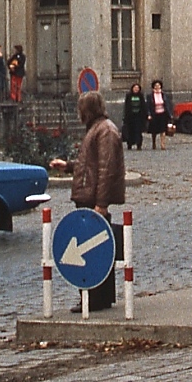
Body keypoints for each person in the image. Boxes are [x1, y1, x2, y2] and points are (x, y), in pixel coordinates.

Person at [48, 91, 125, 310]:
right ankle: (97, 298)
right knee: (96, 248)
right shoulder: (97, 128)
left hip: (93, 200)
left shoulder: (105, 131)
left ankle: (95, 298)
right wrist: (69, 166)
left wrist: (101, 204)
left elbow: (106, 169)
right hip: (89, 196)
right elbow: (91, 163)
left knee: (95, 251)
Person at [146, 79, 173, 150]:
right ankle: (154, 143)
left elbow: (168, 104)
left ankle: (162, 144)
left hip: (163, 114)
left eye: (159, 85)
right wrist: (149, 114)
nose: (157, 87)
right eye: (156, 86)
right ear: (153, 87)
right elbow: (148, 106)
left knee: (163, 130)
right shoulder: (150, 96)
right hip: (154, 114)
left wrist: (170, 114)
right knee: (154, 131)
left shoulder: (164, 95)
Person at [122, 83, 148, 149]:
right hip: (130, 116)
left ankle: (139, 144)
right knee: (130, 130)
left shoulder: (141, 96)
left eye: (137, 88)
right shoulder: (129, 95)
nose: (136, 89)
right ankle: (129, 144)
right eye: (135, 88)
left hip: (139, 116)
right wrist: (125, 116)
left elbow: (143, 106)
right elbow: (126, 106)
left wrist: (145, 115)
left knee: (138, 131)